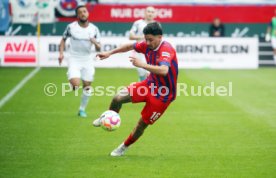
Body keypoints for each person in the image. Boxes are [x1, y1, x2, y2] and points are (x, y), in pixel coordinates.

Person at [93, 22, 178, 156]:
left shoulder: (166, 49)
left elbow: (164, 70)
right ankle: (107, 117)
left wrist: (142, 65)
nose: (147, 42)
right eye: (146, 39)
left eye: (150, 39)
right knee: (117, 97)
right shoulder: (146, 44)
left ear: (160, 37)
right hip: (149, 85)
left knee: (141, 125)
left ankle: (123, 147)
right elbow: (129, 46)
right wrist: (110, 53)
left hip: (163, 95)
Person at [58, 5, 101, 118]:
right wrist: (61, 53)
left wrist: (95, 42)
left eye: (85, 11)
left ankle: (82, 109)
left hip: (87, 59)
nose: (83, 13)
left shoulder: (94, 29)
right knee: (76, 85)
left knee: (87, 86)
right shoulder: (71, 27)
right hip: (74, 58)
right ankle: (73, 83)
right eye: (80, 12)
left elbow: (99, 48)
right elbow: (63, 40)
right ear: (77, 15)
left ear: (88, 13)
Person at [129, 6, 156, 81]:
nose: (150, 14)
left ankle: (146, 90)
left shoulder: (156, 25)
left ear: (155, 14)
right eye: (148, 11)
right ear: (144, 13)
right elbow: (131, 36)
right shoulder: (138, 23)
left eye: (152, 12)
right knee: (142, 73)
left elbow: (159, 38)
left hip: (151, 52)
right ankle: (141, 89)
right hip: (139, 51)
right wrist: (143, 37)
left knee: (149, 73)